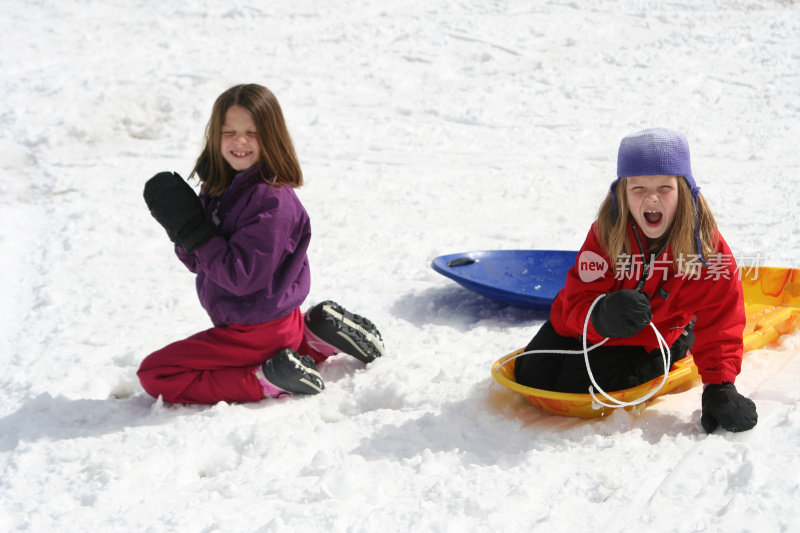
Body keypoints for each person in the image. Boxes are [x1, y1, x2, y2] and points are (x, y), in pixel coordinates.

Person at [138, 83, 385, 405]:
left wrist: (197, 235)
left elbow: (242, 277)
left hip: (255, 329)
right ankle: (313, 340)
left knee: (156, 373)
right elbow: (201, 263)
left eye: (251, 133)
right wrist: (184, 233)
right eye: (229, 131)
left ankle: (267, 380)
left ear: (271, 137)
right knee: (268, 339)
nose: (239, 141)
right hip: (276, 321)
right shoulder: (220, 187)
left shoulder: (272, 201)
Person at [514, 127, 757, 433]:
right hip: (585, 327)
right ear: (622, 193)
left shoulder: (705, 250)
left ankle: (681, 340)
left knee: (581, 388)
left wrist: (720, 387)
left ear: (684, 190)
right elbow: (578, 293)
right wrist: (599, 315)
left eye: (664, 188)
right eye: (638, 188)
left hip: (649, 337)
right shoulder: (606, 232)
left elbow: (722, 320)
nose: (651, 198)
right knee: (530, 375)